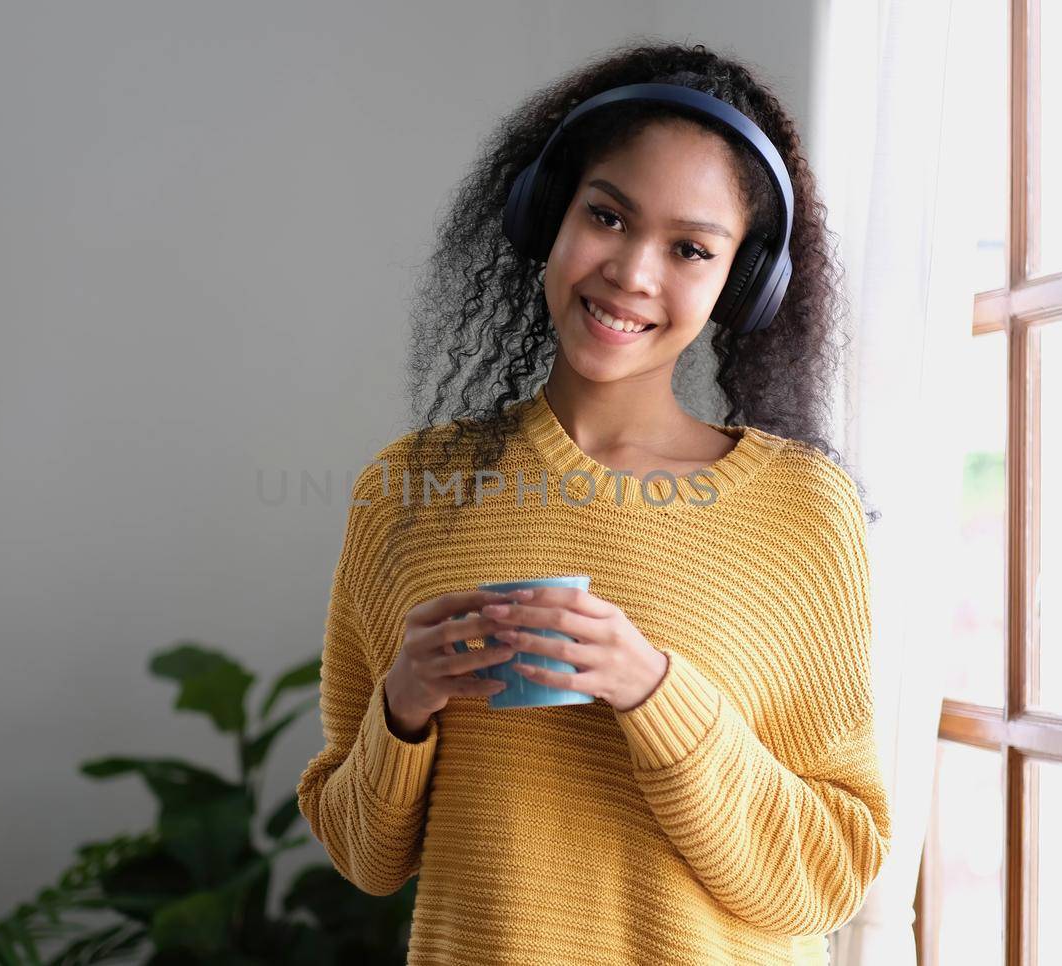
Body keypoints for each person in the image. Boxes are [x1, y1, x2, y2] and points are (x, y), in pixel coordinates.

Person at [296, 40, 890, 966]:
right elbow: (365, 858)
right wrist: (403, 705)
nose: (632, 273)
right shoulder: (410, 492)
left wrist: (652, 687)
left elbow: (829, 871)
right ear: (548, 212)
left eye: (690, 248)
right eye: (608, 216)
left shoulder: (802, 511)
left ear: (742, 281)